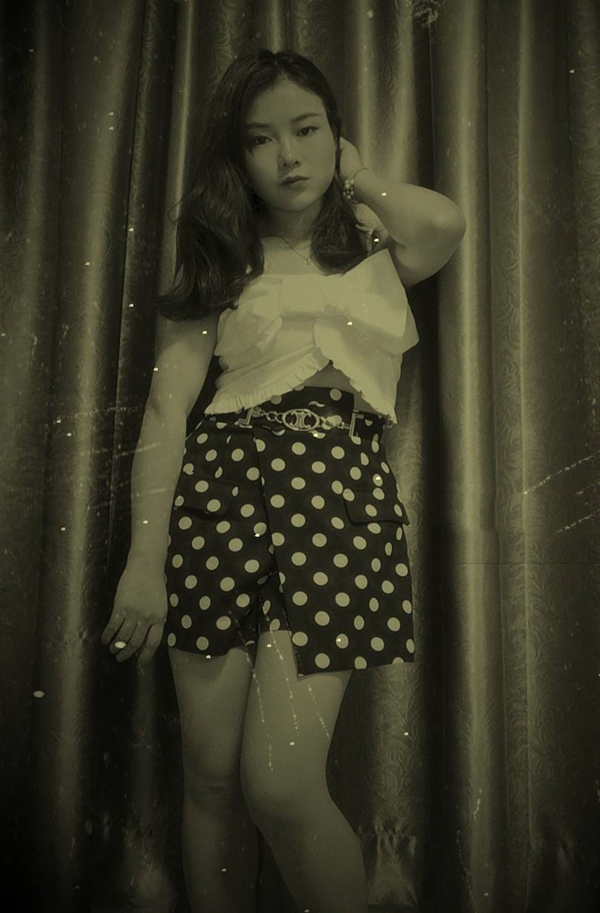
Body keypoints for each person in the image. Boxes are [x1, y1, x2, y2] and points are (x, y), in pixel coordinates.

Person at [102, 49, 465, 913]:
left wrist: (360, 176)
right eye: (260, 139)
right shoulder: (221, 259)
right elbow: (166, 414)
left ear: (337, 134)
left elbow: (442, 221)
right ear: (237, 155)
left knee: (282, 785)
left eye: (306, 130)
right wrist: (143, 564)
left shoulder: (377, 249)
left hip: (339, 499)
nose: (288, 157)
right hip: (218, 494)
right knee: (210, 777)